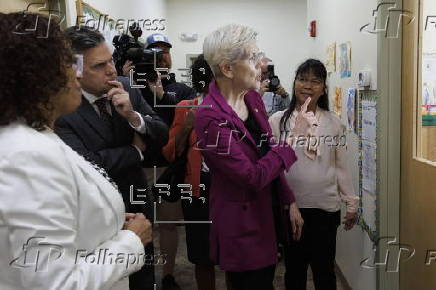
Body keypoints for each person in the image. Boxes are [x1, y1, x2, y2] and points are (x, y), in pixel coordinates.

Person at [0, 12, 152, 290]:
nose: (76, 75)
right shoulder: (26, 155)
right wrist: (130, 241)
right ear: (37, 77)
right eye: (69, 64)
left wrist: (108, 222)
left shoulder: (37, 135)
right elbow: (57, 283)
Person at [195, 24, 313, 290]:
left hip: (268, 214)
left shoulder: (251, 99)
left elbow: (269, 152)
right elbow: (250, 176)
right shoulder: (209, 116)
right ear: (227, 68)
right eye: (252, 57)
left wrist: (289, 200)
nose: (260, 64)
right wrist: (292, 139)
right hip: (242, 225)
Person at [55, 26, 168, 290]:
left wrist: (133, 117)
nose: (112, 70)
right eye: (100, 65)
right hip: (95, 216)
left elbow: (161, 135)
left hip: (137, 200)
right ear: (76, 70)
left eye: (111, 60)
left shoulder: (127, 87)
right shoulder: (62, 108)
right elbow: (87, 164)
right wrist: (136, 151)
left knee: (144, 276)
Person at [268, 59, 359, 290]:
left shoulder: (334, 123)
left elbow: (340, 166)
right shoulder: (278, 121)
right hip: (291, 208)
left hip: (326, 209)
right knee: (295, 272)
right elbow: (273, 166)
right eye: (303, 79)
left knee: (324, 273)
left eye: (315, 81)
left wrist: (351, 202)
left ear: (324, 88)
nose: (308, 85)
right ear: (295, 82)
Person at [162, 55, 216, 290]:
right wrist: (187, 126)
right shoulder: (187, 107)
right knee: (202, 256)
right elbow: (170, 153)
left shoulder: (239, 108)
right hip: (197, 189)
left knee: (234, 258)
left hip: (231, 190)